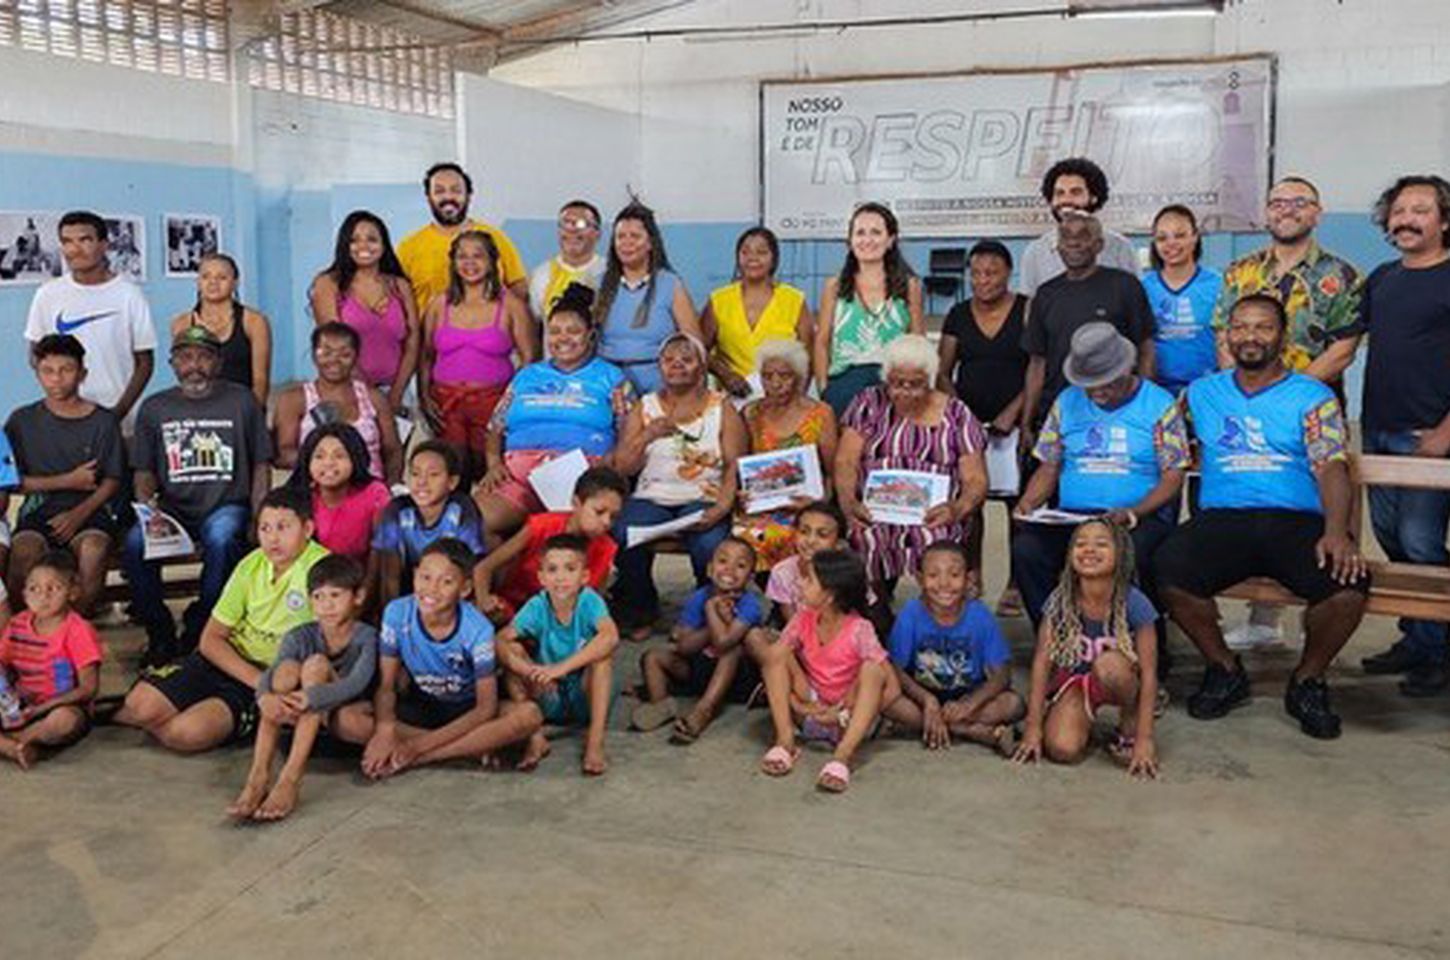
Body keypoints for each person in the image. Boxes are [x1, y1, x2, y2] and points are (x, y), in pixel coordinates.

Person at [1155, 294, 1368, 740]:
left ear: (1282, 337)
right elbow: (1160, 437)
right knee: (1166, 568)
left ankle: (1308, 679)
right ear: (1228, 335)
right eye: (1241, 327)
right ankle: (1224, 669)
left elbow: (1331, 465)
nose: (1250, 336)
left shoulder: (1312, 396)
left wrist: (1338, 532)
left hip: (1292, 520)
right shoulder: (1200, 393)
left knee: (1347, 588)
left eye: (1263, 327)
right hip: (1224, 519)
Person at [1210, 176, 1364, 649]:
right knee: (1258, 494)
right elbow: (1224, 337)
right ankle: (1263, 620)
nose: (1287, 210)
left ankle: (1320, 607)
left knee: (1316, 504)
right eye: (1278, 202)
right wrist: (1243, 392)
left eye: (1299, 202)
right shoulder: (1239, 272)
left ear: (1317, 213)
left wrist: (1288, 395)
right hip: (1245, 405)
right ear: (1266, 212)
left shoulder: (1343, 274)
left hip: (1314, 407)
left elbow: (1344, 348)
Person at [115, 489, 328, 753]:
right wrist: (258, 682)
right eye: (265, 528)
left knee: (184, 734)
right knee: (140, 705)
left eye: (283, 528)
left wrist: (270, 687)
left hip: (273, 679)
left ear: (307, 528)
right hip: (229, 663)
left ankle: (232, 715)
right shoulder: (250, 565)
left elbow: (331, 645)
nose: (273, 538)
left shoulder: (321, 570)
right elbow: (211, 639)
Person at [1012, 324, 1189, 626]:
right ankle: (1056, 635)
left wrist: (1133, 512)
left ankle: (1142, 642)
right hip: (1074, 516)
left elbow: (1173, 476)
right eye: (1089, 385)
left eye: (1106, 383)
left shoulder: (1159, 405)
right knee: (1027, 550)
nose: (1097, 392)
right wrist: (1029, 502)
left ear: (1126, 369)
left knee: (1138, 552)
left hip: (1136, 517)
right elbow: (1049, 465)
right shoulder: (1067, 401)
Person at [125, 325, 272, 665]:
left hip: (226, 505)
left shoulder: (242, 400)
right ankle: (159, 630)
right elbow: (144, 471)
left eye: (204, 357)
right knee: (135, 543)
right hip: (173, 509)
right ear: (172, 364)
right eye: (185, 357)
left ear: (218, 363)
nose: (195, 365)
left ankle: (201, 622)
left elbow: (261, 463)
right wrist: (150, 514)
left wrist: (259, 516)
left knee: (222, 538)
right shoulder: (155, 407)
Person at [1358, 175, 1450, 695]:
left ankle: (1436, 649)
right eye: (1398, 210)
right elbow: (1355, 345)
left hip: (1429, 435)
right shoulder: (1382, 278)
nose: (1406, 219)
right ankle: (1417, 636)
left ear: (1444, 220)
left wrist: (1443, 433)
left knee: (1421, 541)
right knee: (1392, 538)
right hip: (1378, 430)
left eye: (1421, 209)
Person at [362, 539, 541, 779]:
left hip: (467, 711)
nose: (431, 589)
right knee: (347, 718)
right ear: (415, 575)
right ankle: (469, 748)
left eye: (446, 582)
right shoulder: (396, 613)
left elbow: (485, 708)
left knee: (528, 716)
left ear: (465, 588)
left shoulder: (477, 629)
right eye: (425, 577)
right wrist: (384, 731)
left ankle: (426, 757)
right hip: (422, 706)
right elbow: (386, 686)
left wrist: (416, 749)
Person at [611, 332, 746, 636]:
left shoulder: (721, 407)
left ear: (701, 368)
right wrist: (648, 434)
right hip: (653, 496)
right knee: (624, 532)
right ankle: (640, 608)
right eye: (669, 360)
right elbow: (622, 466)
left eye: (687, 360)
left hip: (704, 496)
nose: (677, 366)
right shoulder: (645, 407)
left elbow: (736, 463)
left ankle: (703, 613)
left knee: (710, 543)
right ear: (659, 367)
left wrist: (723, 506)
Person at [474, 284, 634, 539]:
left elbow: (629, 431)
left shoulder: (610, 378)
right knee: (476, 523)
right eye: (555, 331)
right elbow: (496, 425)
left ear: (590, 335)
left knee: (573, 531)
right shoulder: (527, 375)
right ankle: (513, 578)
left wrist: (610, 461)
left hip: (582, 482)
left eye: (573, 331)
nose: (563, 338)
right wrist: (493, 462)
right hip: (520, 479)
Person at [836, 334, 988, 602]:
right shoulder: (868, 403)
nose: (904, 391)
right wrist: (849, 502)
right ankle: (877, 614)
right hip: (876, 511)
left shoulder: (956, 414)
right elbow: (845, 460)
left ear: (929, 380)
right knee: (864, 538)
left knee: (938, 543)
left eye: (915, 384)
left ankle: (938, 613)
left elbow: (976, 478)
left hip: (934, 514)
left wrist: (957, 508)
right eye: (896, 383)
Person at [227, 555, 377, 822]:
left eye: (335, 595)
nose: (326, 605)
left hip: (345, 707)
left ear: (358, 596)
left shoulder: (366, 636)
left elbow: (358, 683)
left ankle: (290, 778)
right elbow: (270, 676)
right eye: (318, 597)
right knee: (284, 672)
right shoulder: (300, 635)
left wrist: (311, 697)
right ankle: (257, 776)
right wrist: (265, 698)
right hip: (301, 710)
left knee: (316, 665)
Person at [1013, 519, 1160, 777]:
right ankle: (1080, 719)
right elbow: (1041, 663)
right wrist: (1033, 727)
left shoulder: (1134, 602)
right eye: (1080, 544)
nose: (1089, 550)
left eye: (1101, 544)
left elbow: (1149, 673)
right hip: (1078, 683)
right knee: (1062, 750)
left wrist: (1145, 739)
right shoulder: (1060, 600)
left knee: (1109, 665)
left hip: (1121, 679)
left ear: (1121, 554)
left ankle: (1129, 719)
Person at [751, 549, 900, 793]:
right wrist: (798, 705)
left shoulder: (860, 629)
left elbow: (892, 689)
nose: (800, 582)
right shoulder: (803, 618)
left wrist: (843, 714)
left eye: (808, 579)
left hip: (848, 720)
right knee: (777, 656)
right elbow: (771, 662)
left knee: (873, 670)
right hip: (812, 712)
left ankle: (842, 756)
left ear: (829, 596)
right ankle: (785, 740)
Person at [936, 239, 1029, 612]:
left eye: (991, 272)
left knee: (1015, 505)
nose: (983, 280)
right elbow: (942, 371)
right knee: (970, 504)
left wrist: (1015, 412)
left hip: (1016, 423)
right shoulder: (958, 314)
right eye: (975, 273)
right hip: (969, 424)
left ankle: (1015, 585)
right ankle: (971, 574)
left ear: (1008, 272)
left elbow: (1039, 367)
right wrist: (961, 414)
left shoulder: (1026, 310)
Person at [5, 335, 125, 615]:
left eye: (66, 370)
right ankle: (26, 633)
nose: (56, 379)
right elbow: (12, 481)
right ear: (37, 374)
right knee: (23, 551)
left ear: (82, 373)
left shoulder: (103, 421)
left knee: (94, 549)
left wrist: (78, 514)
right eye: (48, 371)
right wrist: (67, 480)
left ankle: (71, 631)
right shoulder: (22, 421)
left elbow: (111, 480)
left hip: (92, 512)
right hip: (39, 510)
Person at [1020, 213, 1155, 442]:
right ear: (1058, 247)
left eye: (1083, 236)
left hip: (1116, 410)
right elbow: (1037, 363)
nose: (1073, 243)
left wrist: (1144, 406)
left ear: (1099, 245)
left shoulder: (1125, 286)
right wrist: (1027, 422)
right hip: (1060, 415)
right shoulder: (1045, 295)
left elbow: (1146, 349)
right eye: (1065, 237)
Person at [495, 533, 621, 775]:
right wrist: (529, 671)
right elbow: (500, 639)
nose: (560, 577)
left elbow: (610, 637)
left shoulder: (589, 601)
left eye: (570, 569)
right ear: (541, 577)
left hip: (584, 694)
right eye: (552, 570)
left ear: (584, 576)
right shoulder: (537, 605)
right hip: (547, 692)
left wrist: (560, 669)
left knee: (602, 658)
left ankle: (595, 743)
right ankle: (536, 737)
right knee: (513, 651)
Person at [419, 230, 537, 483]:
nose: (469, 263)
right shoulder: (439, 305)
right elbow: (426, 355)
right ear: (453, 263)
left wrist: (508, 406)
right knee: (450, 476)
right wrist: (423, 396)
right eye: (462, 256)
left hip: (492, 405)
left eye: (478, 256)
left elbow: (529, 360)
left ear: (492, 261)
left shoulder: (512, 305)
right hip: (446, 404)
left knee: (490, 478)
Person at [881, 542, 1023, 753]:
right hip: (920, 698)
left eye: (955, 575)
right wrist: (928, 700)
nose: (944, 584)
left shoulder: (980, 615)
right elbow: (895, 669)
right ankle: (975, 732)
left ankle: (935, 726)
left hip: (968, 698)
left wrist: (970, 704)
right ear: (920, 579)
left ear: (969, 579)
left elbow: (1002, 674)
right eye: (933, 575)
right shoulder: (910, 614)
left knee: (1013, 704)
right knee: (884, 699)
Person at [24, 210, 155, 432]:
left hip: (120, 425)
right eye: (67, 241)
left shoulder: (129, 294)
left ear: (104, 245)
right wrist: (61, 403)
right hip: (62, 425)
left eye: (84, 240)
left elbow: (145, 363)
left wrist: (115, 415)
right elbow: (36, 355)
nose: (75, 249)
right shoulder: (47, 294)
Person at [631, 537, 766, 742]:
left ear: (750, 577)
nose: (729, 569)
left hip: (736, 678)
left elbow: (723, 643)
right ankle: (661, 704)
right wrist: (710, 613)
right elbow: (683, 647)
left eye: (740, 566)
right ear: (710, 569)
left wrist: (712, 611)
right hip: (699, 669)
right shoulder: (699, 597)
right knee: (653, 657)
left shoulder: (750, 605)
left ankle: (704, 710)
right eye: (722, 561)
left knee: (731, 651)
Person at [733, 339, 837, 571]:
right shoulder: (750, 413)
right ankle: (779, 601)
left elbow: (832, 472)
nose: (775, 384)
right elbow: (740, 467)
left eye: (784, 376)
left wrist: (819, 502)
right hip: (762, 507)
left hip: (807, 506)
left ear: (799, 378)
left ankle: (797, 599)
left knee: (802, 535)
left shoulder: (820, 414)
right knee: (748, 536)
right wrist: (742, 495)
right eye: (767, 376)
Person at [474, 466, 627, 624]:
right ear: (576, 503)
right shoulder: (540, 527)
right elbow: (483, 569)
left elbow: (595, 605)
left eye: (614, 517)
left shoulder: (607, 549)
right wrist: (485, 603)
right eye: (599, 512)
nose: (606, 522)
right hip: (514, 610)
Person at [814, 202, 925, 416]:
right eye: (860, 233)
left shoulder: (909, 285)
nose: (867, 240)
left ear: (890, 240)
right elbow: (821, 342)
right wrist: (824, 388)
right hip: (845, 385)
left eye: (876, 232)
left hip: (895, 385)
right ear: (850, 241)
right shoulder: (834, 286)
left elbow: (918, 341)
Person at [0, 553, 103, 770]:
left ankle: (18, 739)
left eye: (53, 588)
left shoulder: (78, 630)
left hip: (63, 704)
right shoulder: (17, 624)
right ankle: (18, 747)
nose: (43, 597)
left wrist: (40, 710)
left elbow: (88, 688)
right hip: (22, 704)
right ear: (24, 594)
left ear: (73, 592)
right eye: (34, 589)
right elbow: (4, 665)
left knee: (64, 721)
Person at [310, 211, 420, 408]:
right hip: (346, 392)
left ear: (384, 245)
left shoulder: (400, 286)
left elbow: (412, 344)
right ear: (345, 245)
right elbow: (334, 345)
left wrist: (396, 394)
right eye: (354, 240)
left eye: (372, 239)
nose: (364, 246)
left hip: (398, 394)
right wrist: (371, 396)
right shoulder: (328, 284)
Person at [593, 201, 703, 394]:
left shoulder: (671, 284)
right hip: (607, 383)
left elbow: (694, 345)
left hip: (662, 384)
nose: (627, 243)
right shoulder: (598, 284)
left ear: (651, 242)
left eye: (635, 236)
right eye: (620, 237)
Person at [274, 322, 403, 485]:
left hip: (369, 491)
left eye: (345, 354)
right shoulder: (294, 400)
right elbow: (283, 453)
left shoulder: (374, 398)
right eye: (326, 353)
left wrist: (391, 488)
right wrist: (330, 464)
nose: (334, 361)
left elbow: (393, 450)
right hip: (316, 491)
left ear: (356, 357)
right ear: (313, 355)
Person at [398, 162, 528, 318]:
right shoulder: (408, 246)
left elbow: (519, 289)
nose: (448, 197)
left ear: (469, 195)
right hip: (429, 340)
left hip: (490, 338)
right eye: (439, 191)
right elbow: (398, 301)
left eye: (456, 190)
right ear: (428, 197)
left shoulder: (495, 238)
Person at [372, 441, 487, 610]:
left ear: (452, 482)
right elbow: (390, 576)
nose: (422, 482)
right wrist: (394, 614)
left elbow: (471, 566)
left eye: (433, 475)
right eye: (415, 474)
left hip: (450, 593)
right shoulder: (396, 510)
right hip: (408, 592)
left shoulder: (462, 510)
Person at [702, 226, 813, 399]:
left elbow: (809, 357)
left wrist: (797, 400)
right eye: (745, 252)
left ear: (774, 259)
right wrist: (725, 375)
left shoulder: (794, 300)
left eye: (761, 252)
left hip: (781, 399)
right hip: (734, 398)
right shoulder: (719, 300)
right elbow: (699, 350)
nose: (753, 258)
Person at [1018, 157, 1140, 296]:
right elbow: (1029, 307)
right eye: (1059, 193)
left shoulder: (1120, 247)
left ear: (1094, 197)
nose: (1066, 200)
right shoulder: (1035, 252)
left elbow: (1135, 300)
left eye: (1075, 192)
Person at [170, 252, 271, 406]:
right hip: (198, 409)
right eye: (206, 277)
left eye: (222, 277)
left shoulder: (254, 322)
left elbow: (260, 381)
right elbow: (183, 374)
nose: (213, 282)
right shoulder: (181, 323)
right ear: (198, 282)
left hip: (240, 408)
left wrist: (252, 418)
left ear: (235, 283)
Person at [1142, 205, 1221, 396]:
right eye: (1162, 238)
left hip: (1207, 390)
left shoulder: (1219, 283)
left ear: (1195, 237)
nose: (1171, 244)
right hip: (1158, 392)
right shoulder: (1142, 287)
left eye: (1180, 235)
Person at [287, 423, 391, 567]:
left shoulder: (375, 494)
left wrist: (366, 588)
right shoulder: (299, 495)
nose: (329, 463)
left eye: (339, 456)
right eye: (319, 456)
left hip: (360, 578)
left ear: (355, 458)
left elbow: (384, 550)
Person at [764, 500, 849, 625]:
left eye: (822, 535)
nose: (810, 541)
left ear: (839, 544)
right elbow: (793, 625)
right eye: (804, 531)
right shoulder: (782, 572)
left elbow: (852, 622)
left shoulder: (848, 574)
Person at [528, 200, 605, 321]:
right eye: (565, 224)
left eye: (581, 224)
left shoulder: (609, 272)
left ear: (598, 233)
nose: (572, 230)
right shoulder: (541, 275)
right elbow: (535, 324)